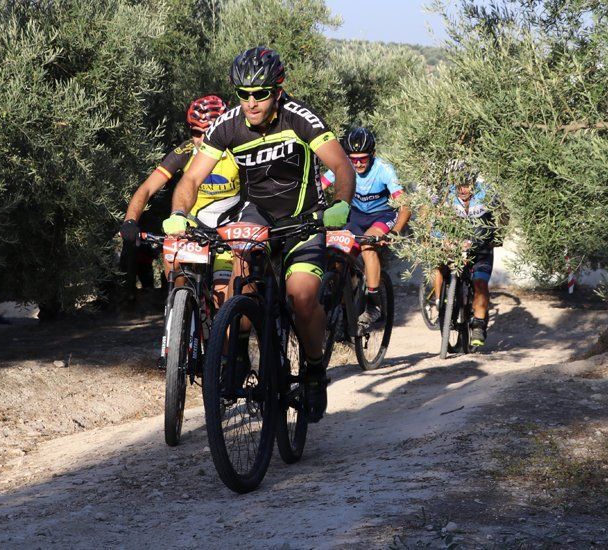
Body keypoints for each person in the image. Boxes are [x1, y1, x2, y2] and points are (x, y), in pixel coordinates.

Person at [164, 47, 355, 422]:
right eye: (244, 93)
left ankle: (314, 370)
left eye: (261, 93)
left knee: (301, 298)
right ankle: (236, 351)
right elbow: (190, 178)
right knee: (240, 286)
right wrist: (178, 212)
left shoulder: (300, 118)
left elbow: (341, 165)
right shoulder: (228, 126)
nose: (251, 102)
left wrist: (341, 205)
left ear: (277, 90)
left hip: (303, 218)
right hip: (259, 218)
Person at [120, 95, 240, 305]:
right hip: (195, 223)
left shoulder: (237, 151)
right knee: (176, 271)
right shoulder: (185, 151)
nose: (202, 139)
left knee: (222, 298)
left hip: (229, 227)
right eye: (195, 131)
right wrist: (130, 221)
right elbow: (147, 188)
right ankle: (180, 316)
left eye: (209, 131)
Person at [320, 127, 410, 325]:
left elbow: (405, 205)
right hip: (356, 216)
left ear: (373, 155)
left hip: (382, 215)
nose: (358, 163)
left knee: (368, 246)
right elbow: (320, 186)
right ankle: (346, 300)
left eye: (363, 158)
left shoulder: (384, 169)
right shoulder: (344, 166)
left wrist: (395, 232)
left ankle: (373, 302)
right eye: (353, 159)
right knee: (338, 255)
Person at [432, 161, 504, 347]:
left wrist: (499, 235)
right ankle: (442, 303)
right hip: (455, 246)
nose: (463, 189)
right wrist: (437, 238)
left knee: (480, 284)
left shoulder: (486, 193)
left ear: (473, 182)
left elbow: (503, 211)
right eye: (458, 185)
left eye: (467, 185)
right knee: (439, 265)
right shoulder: (446, 194)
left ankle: (478, 325)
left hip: (481, 248)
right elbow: (433, 214)